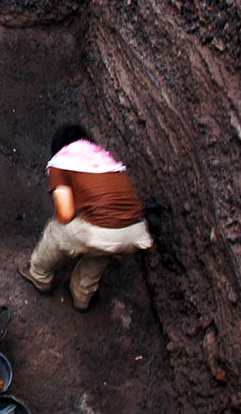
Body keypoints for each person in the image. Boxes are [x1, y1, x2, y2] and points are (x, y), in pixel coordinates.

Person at [18, 124, 153, 312]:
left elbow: (65, 214)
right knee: (101, 251)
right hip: (135, 232)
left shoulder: (62, 161)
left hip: (104, 232)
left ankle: (39, 275)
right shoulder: (105, 160)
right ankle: (82, 296)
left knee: (56, 230)